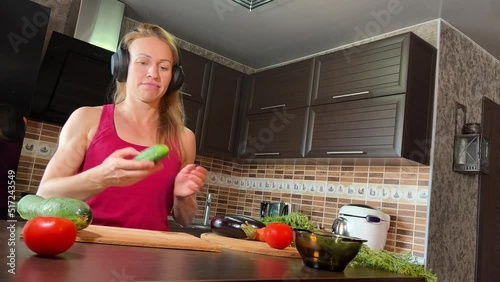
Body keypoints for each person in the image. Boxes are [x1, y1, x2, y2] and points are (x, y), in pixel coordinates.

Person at [36, 23, 208, 231]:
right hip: (87, 252)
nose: (153, 73)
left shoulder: (184, 137)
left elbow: (185, 219)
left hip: (154, 256)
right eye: (143, 62)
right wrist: (101, 177)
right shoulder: (86, 119)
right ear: (122, 67)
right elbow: (45, 195)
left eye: (163, 67)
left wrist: (182, 198)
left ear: (174, 78)